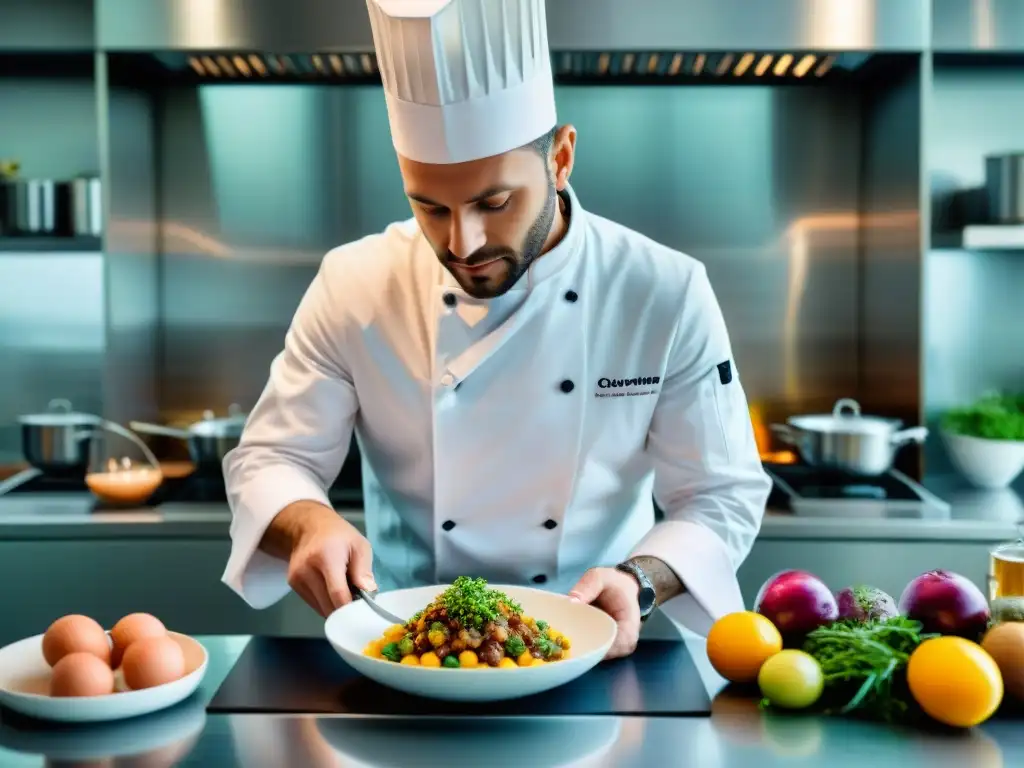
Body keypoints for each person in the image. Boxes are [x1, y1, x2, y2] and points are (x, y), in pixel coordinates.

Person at [221, 0, 771, 659]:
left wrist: (641, 581)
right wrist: (308, 524)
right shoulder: (355, 284)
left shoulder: (663, 291)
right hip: (400, 643)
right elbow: (271, 458)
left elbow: (719, 495)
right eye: (430, 206)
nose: (463, 243)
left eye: (495, 202)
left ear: (561, 159)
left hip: (590, 645)